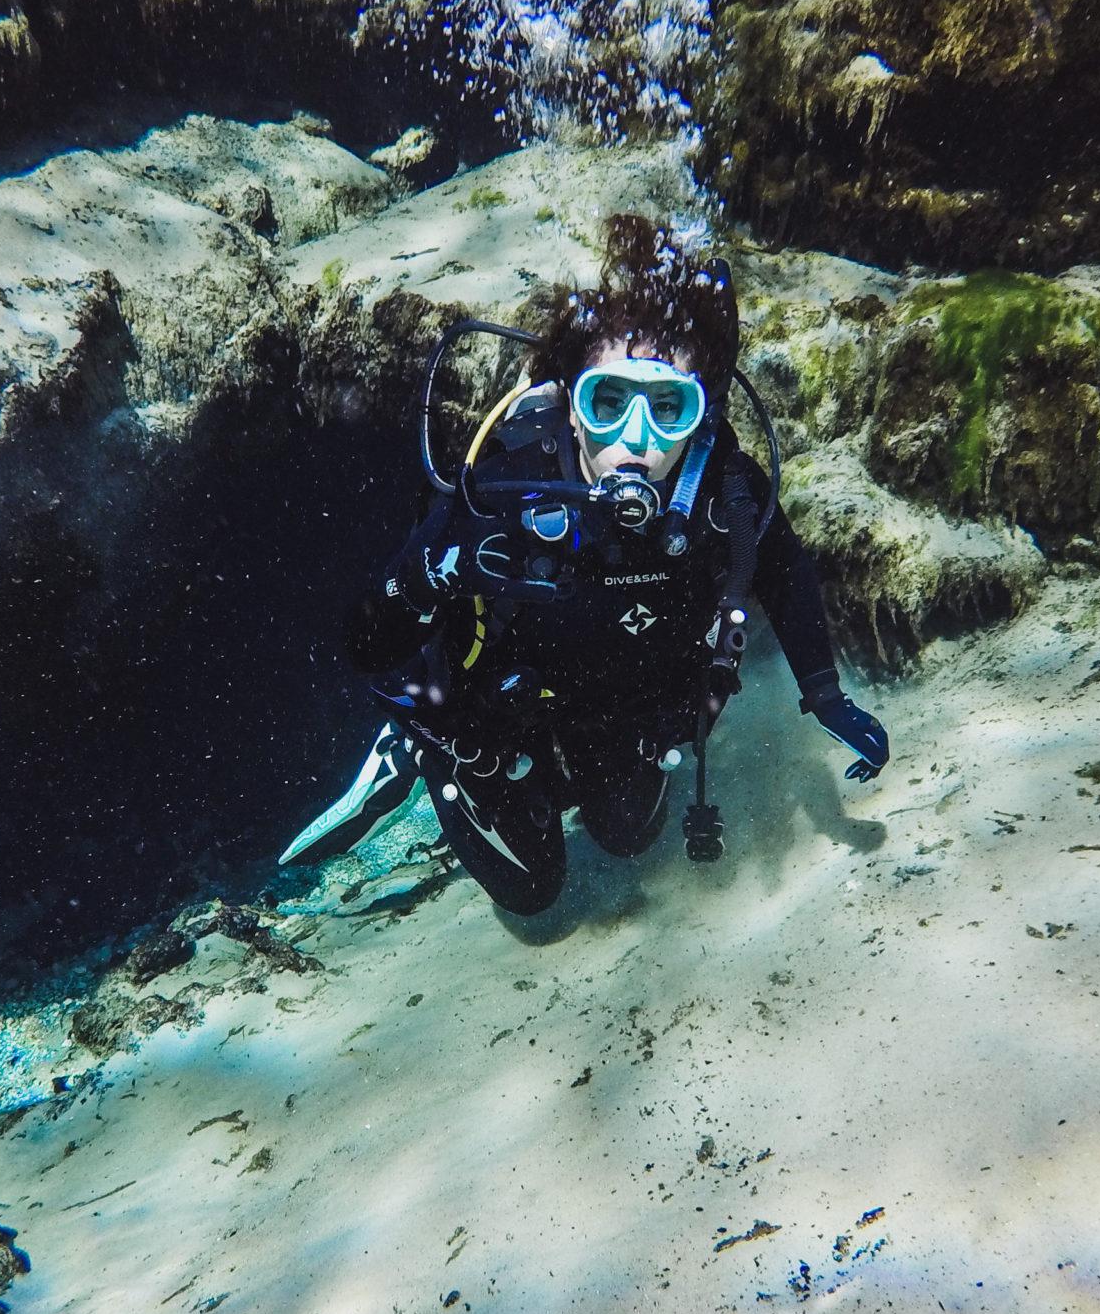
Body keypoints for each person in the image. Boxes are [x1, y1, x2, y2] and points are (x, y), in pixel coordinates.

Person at [282, 216, 889, 915]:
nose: (635, 441)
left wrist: (824, 691)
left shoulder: (726, 491)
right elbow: (365, 644)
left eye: (668, 407)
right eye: (609, 402)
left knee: (629, 838)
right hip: (504, 720)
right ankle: (412, 754)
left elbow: (783, 571)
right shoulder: (504, 489)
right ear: (570, 405)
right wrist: (431, 572)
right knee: (533, 893)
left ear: (701, 416)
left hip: (631, 709)